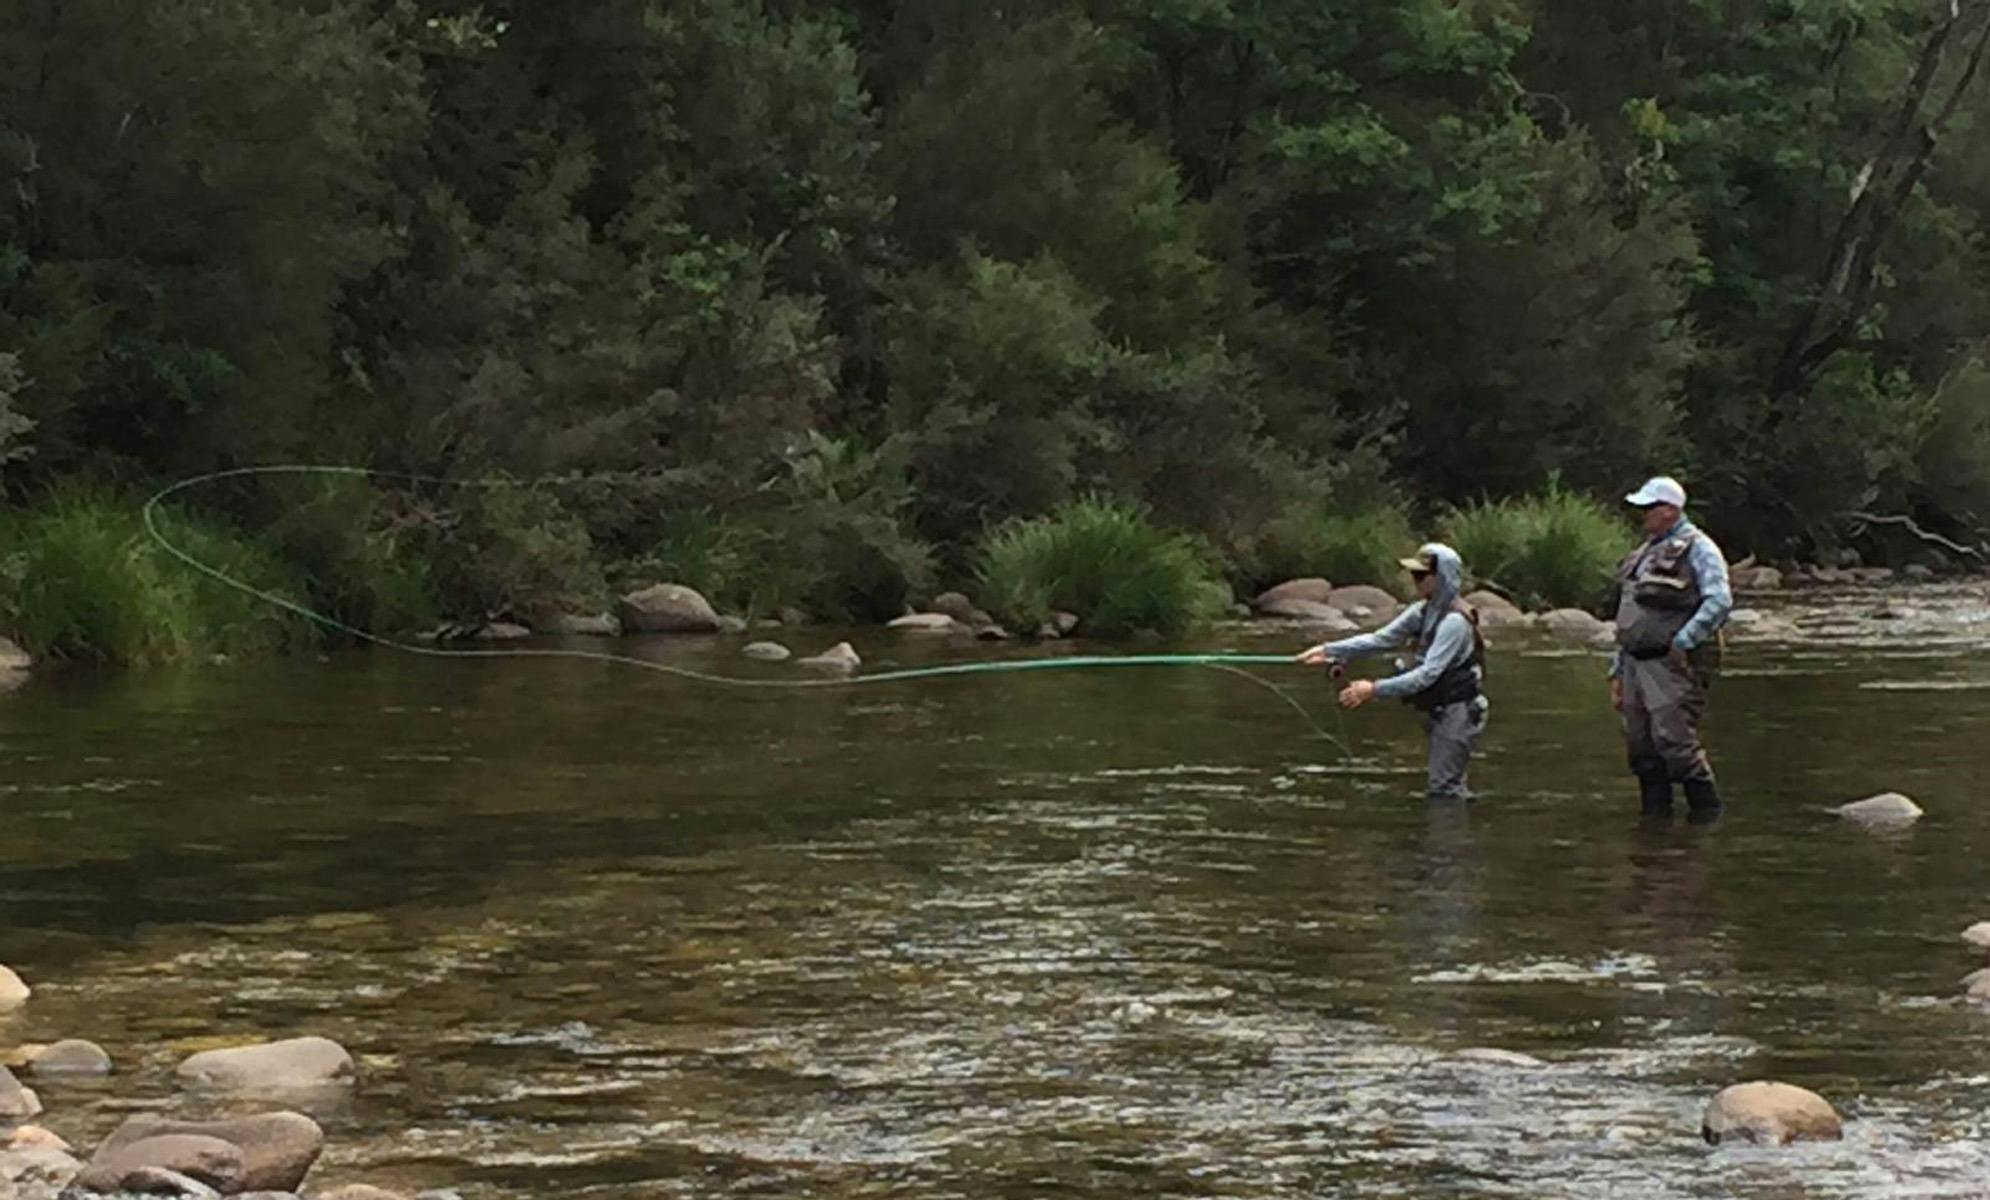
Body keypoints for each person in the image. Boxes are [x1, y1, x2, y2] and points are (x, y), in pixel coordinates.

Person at [1295, 543, 1487, 801]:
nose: (1415, 581)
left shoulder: (1454, 622)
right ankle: (1451, 834)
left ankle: (1451, 840)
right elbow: (1380, 639)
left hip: (1459, 711)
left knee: (1444, 790)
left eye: (1421, 575)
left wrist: (1373, 689)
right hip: (1441, 709)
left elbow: (1426, 675)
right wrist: (1329, 650)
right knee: (1447, 786)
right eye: (1413, 574)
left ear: (1442, 577)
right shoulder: (1424, 610)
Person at [1604, 476, 1732, 820]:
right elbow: (1627, 617)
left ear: (1670, 510)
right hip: (1633, 662)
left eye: (1648, 508)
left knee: (1675, 744)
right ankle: (1655, 828)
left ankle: (1706, 823)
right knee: (1641, 749)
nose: (1641, 515)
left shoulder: (1700, 548)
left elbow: (1719, 601)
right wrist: (1616, 670)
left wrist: (1684, 641)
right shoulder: (1643, 552)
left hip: (1671, 663)